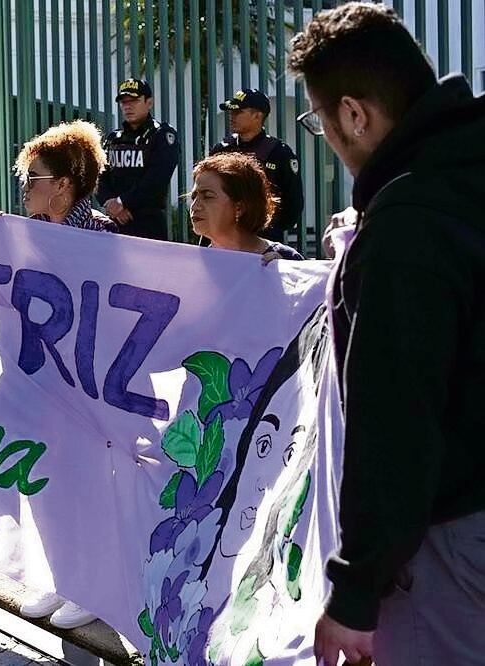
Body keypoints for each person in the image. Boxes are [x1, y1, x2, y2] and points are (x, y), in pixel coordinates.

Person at [289, 4, 485, 665]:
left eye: (318, 122)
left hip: (454, 537)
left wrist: (355, 591)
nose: (328, 139)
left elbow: (397, 423)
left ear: (353, 114)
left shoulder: (408, 224)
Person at [7, 119, 111, 630]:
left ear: (65, 185)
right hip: (36, 377)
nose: (24, 186)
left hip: (85, 383)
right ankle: (60, 574)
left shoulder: (104, 237)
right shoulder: (19, 234)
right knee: (43, 480)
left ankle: (91, 585)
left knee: (82, 481)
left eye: (34, 177)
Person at [210, 89, 304, 242]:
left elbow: (293, 203)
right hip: (224, 235)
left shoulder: (279, 153)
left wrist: (272, 228)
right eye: (231, 111)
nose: (231, 116)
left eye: (238, 112)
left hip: (263, 238)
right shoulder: (222, 149)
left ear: (257, 116)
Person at [97, 78, 179, 240]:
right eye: (123, 102)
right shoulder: (114, 138)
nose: (128, 106)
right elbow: (99, 176)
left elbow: (157, 179)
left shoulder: (162, 135)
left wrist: (121, 202)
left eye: (134, 100)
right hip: (114, 222)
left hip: (148, 224)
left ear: (149, 102)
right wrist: (109, 203)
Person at [189, 153, 303, 262]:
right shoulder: (194, 264)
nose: (195, 206)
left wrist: (283, 274)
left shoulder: (285, 258)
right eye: (193, 197)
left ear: (240, 207)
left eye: (208, 196)